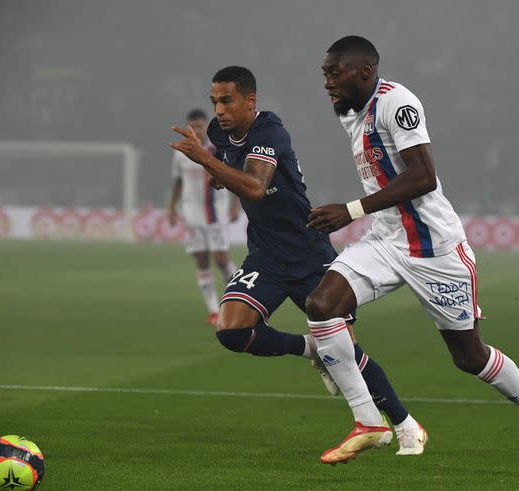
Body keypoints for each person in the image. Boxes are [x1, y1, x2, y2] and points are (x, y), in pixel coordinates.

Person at [306, 35, 519, 479]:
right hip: (387, 241)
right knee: (322, 306)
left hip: (435, 249)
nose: (328, 81)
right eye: (324, 74)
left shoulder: (398, 103)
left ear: (366, 72)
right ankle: (369, 420)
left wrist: (350, 210)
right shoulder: (350, 111)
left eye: (336, 73)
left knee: (470, 357)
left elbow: (424, 176)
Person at [170, 66, 427, 456]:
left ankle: (406, 425)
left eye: (227, 100)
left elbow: (255, 186)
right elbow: (230, 173)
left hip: (308, 251)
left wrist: (207, 164)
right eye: (214, 102)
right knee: (232, 331)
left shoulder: (271, 132)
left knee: (348, 353)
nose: (218, 111)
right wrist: (217, 173)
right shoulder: (220, 136)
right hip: (265, 255)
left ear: (250, 100)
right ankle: (311, 349)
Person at [168, 108, 240, 326]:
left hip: (216, 214)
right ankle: (213, 311)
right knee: (201, 261)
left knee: (221, 259)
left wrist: (236, 204)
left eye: (200, 126)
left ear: (206, 126)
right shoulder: (180, 152)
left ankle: (240, 300)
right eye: (193, 126)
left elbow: (233, 176)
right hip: (191, 215)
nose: (197, 130)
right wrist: (171, 207)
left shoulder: (219, 149)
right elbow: (178, 182)